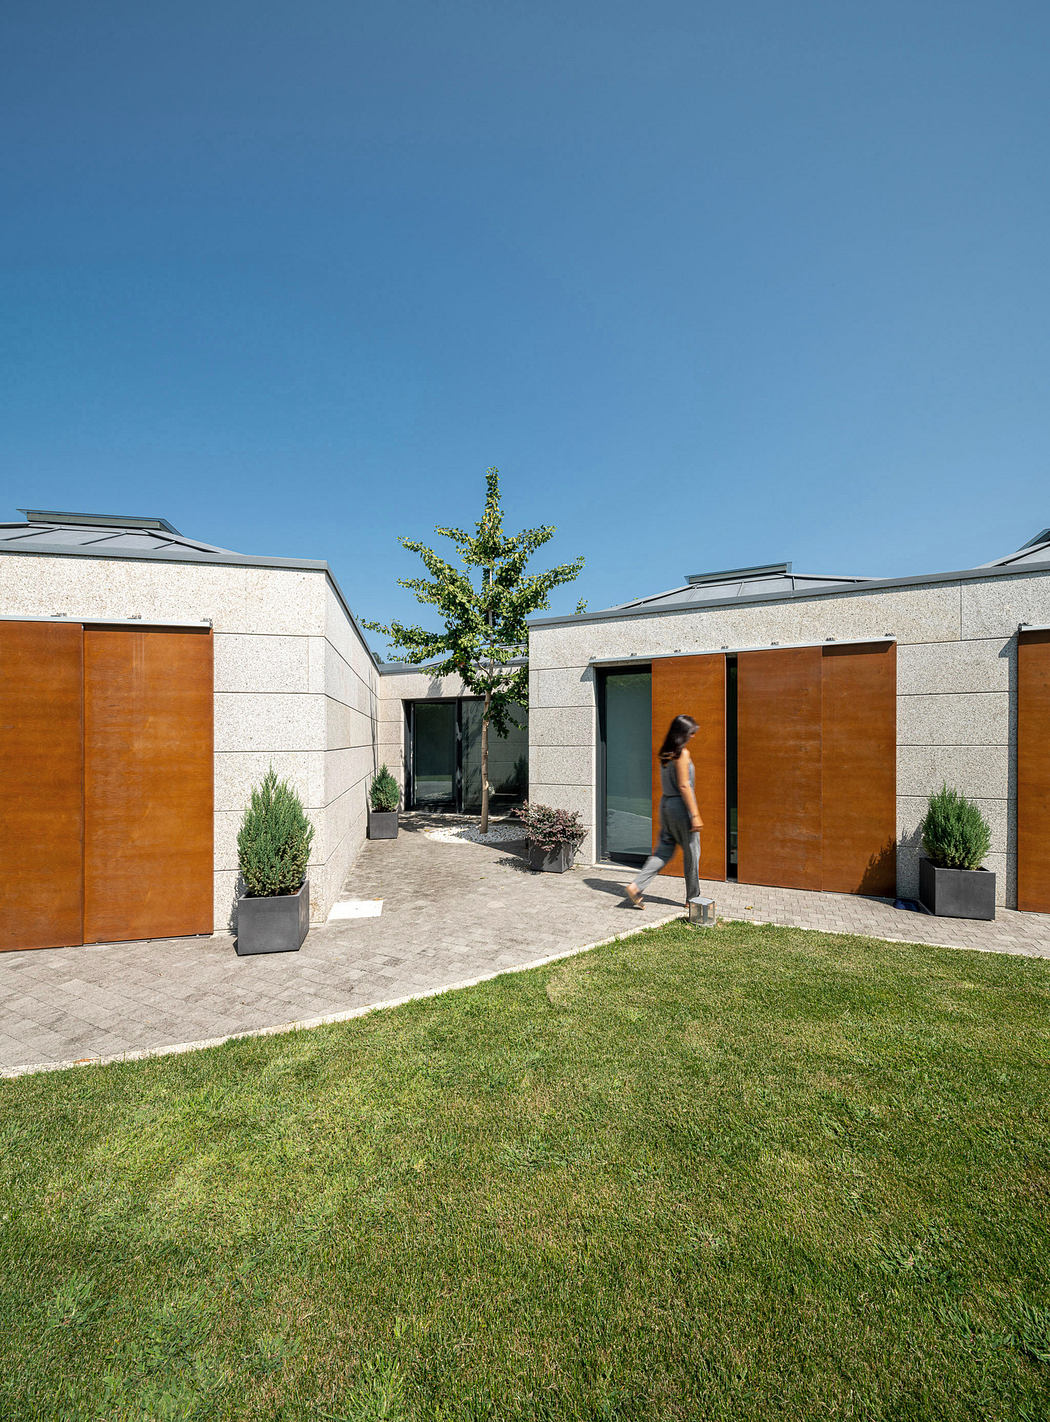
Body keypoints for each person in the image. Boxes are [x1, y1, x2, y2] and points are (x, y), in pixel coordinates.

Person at [624, 714, 703, 909]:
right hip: (680, 808)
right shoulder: (682, 754)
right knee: (692, 853)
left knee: (663, 851)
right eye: (691, 732)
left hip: (666, 805)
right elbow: (684, 785)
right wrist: (695, 814)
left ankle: (636, 886)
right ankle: (692, 899)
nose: (693, 736)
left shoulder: (665, 753)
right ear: (683, 733)